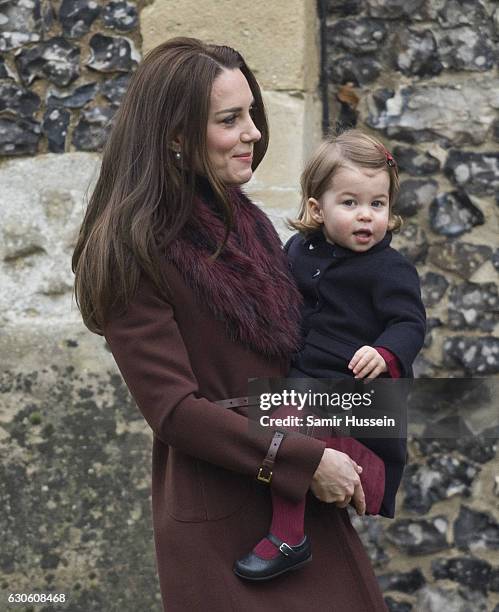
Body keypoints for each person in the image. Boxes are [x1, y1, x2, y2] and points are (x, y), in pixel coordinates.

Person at [72, 38, 390, 611]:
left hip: (296, 502)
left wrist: (374, 419)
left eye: (251, 114)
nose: (254, 133)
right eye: (230, 119)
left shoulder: (249, 223)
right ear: (174, 135)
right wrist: (305, 459)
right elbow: (173, 411)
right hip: (223, 522)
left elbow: (293, 361)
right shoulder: (129, 249)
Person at [234, 130, 426, 581]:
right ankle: (289, 524)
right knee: (276, 423)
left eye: (378, 205)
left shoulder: (389, 268)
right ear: (317, 209)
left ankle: (288, 537)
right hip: (304, 377)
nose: (366, 216)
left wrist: (385, 352)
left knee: (290, 429)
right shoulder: (299, 250)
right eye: (351, 203)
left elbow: (410, 323)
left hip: (354, 393)